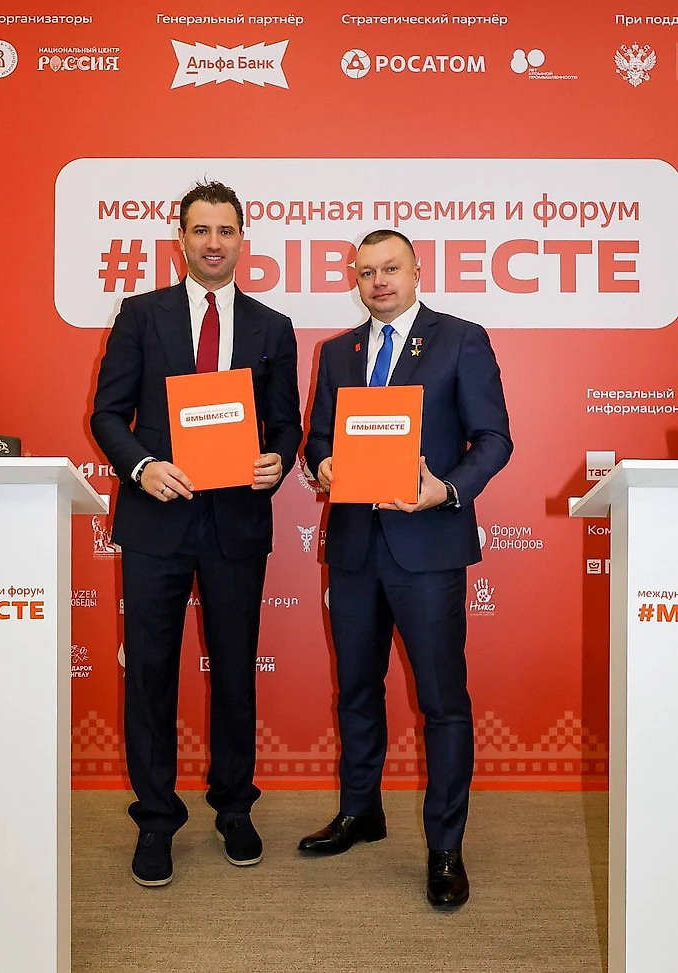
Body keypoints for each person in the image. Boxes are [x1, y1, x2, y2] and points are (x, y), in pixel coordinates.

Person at [91, 180, 302, 887]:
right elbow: (107, 414)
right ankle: (155, 817)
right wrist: (141, 466)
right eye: (201, 230)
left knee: (236, 670)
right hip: (156, 518)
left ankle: (234, 807)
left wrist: (278, 460)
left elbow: (286, 424)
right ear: (180, 238)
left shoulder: (272, 326)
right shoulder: (139, 314)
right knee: (150, 672)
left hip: (236, 522)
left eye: (226, 230)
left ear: (243, 240)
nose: (214, 243)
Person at [299, 229, 512, 908]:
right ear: (355, 281)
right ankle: (361, 811)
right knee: (357, 690)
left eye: (390, 268)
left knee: (443, 703)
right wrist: (322, 464)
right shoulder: (337, 352)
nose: (379, 281)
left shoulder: (461, 339)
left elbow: (495, 438)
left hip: (429, 547)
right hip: (354, 548)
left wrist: (446, 489)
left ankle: (446, 847)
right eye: (366, 272)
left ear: (418, 271)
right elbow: (317, 439)